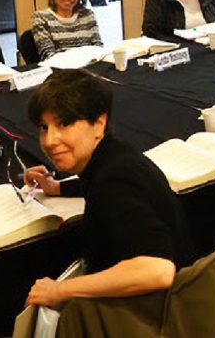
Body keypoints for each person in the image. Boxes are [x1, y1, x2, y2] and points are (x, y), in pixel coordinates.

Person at [23, 69, 195, 307]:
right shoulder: (111, 156)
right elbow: (97, 179)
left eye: (64, 124)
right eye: (44, 127)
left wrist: (60, 290)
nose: (50, 140)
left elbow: (157, 269)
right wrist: (56, 188)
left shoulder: (113, 182)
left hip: (157, 313)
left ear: (99, 124)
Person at [31, 0, 103, 61]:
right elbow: (49, 56)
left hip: (90, 69)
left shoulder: (87, 15)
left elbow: (98, 50)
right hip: (60, 73)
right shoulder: (40, 18)